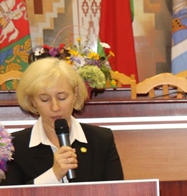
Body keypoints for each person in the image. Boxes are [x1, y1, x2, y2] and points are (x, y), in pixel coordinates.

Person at [0, 57, 123, 186]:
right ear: (32, 101)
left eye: (62, 97)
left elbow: (117, 193)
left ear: (75, 94)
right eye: (44, 99)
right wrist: (54, 174)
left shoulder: (101, 139)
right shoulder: (13, 147)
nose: (55, 107)